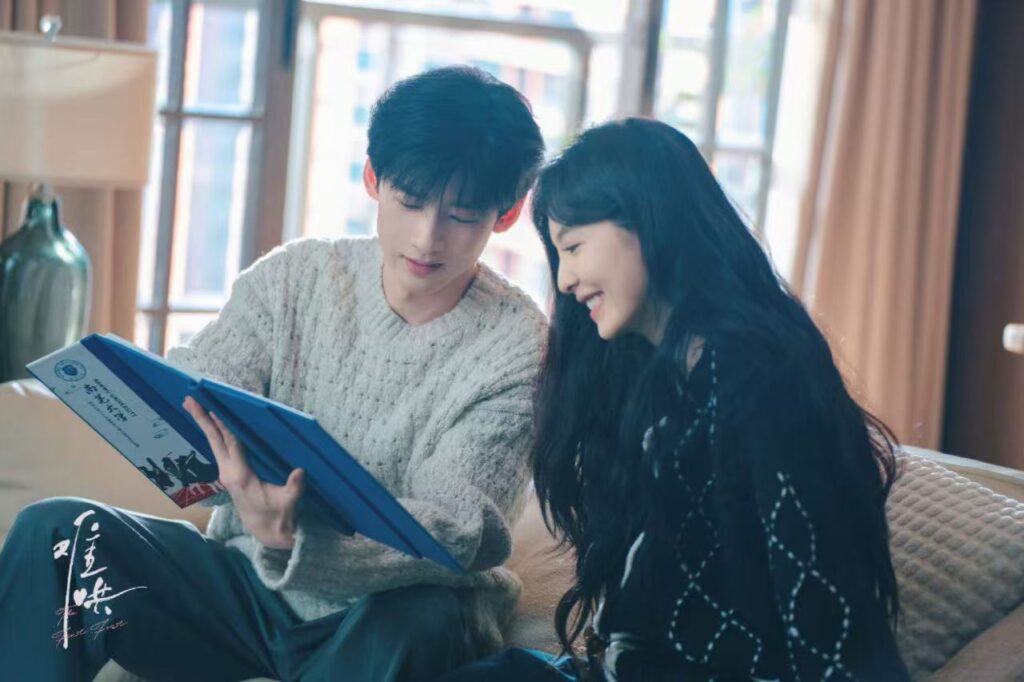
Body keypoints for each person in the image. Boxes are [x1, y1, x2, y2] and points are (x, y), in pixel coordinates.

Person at [0, 65, 547, 682]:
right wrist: (158, 418)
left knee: (420, 617)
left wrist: (293, 539)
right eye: (410, 202)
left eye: (462, 216)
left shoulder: (517, 345)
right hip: (247, 591)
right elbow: (197, 394)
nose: (427, 238)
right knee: (58, 533)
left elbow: (458, 529)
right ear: (373, 178)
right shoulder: (296, 277)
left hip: (396, 613)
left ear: (506, 214)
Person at [441, 118, 910, 681]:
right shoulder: (656, 382)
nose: (564, 280)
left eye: (574, 247)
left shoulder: (763, 378)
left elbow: (826, 609)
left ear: (649, 221)